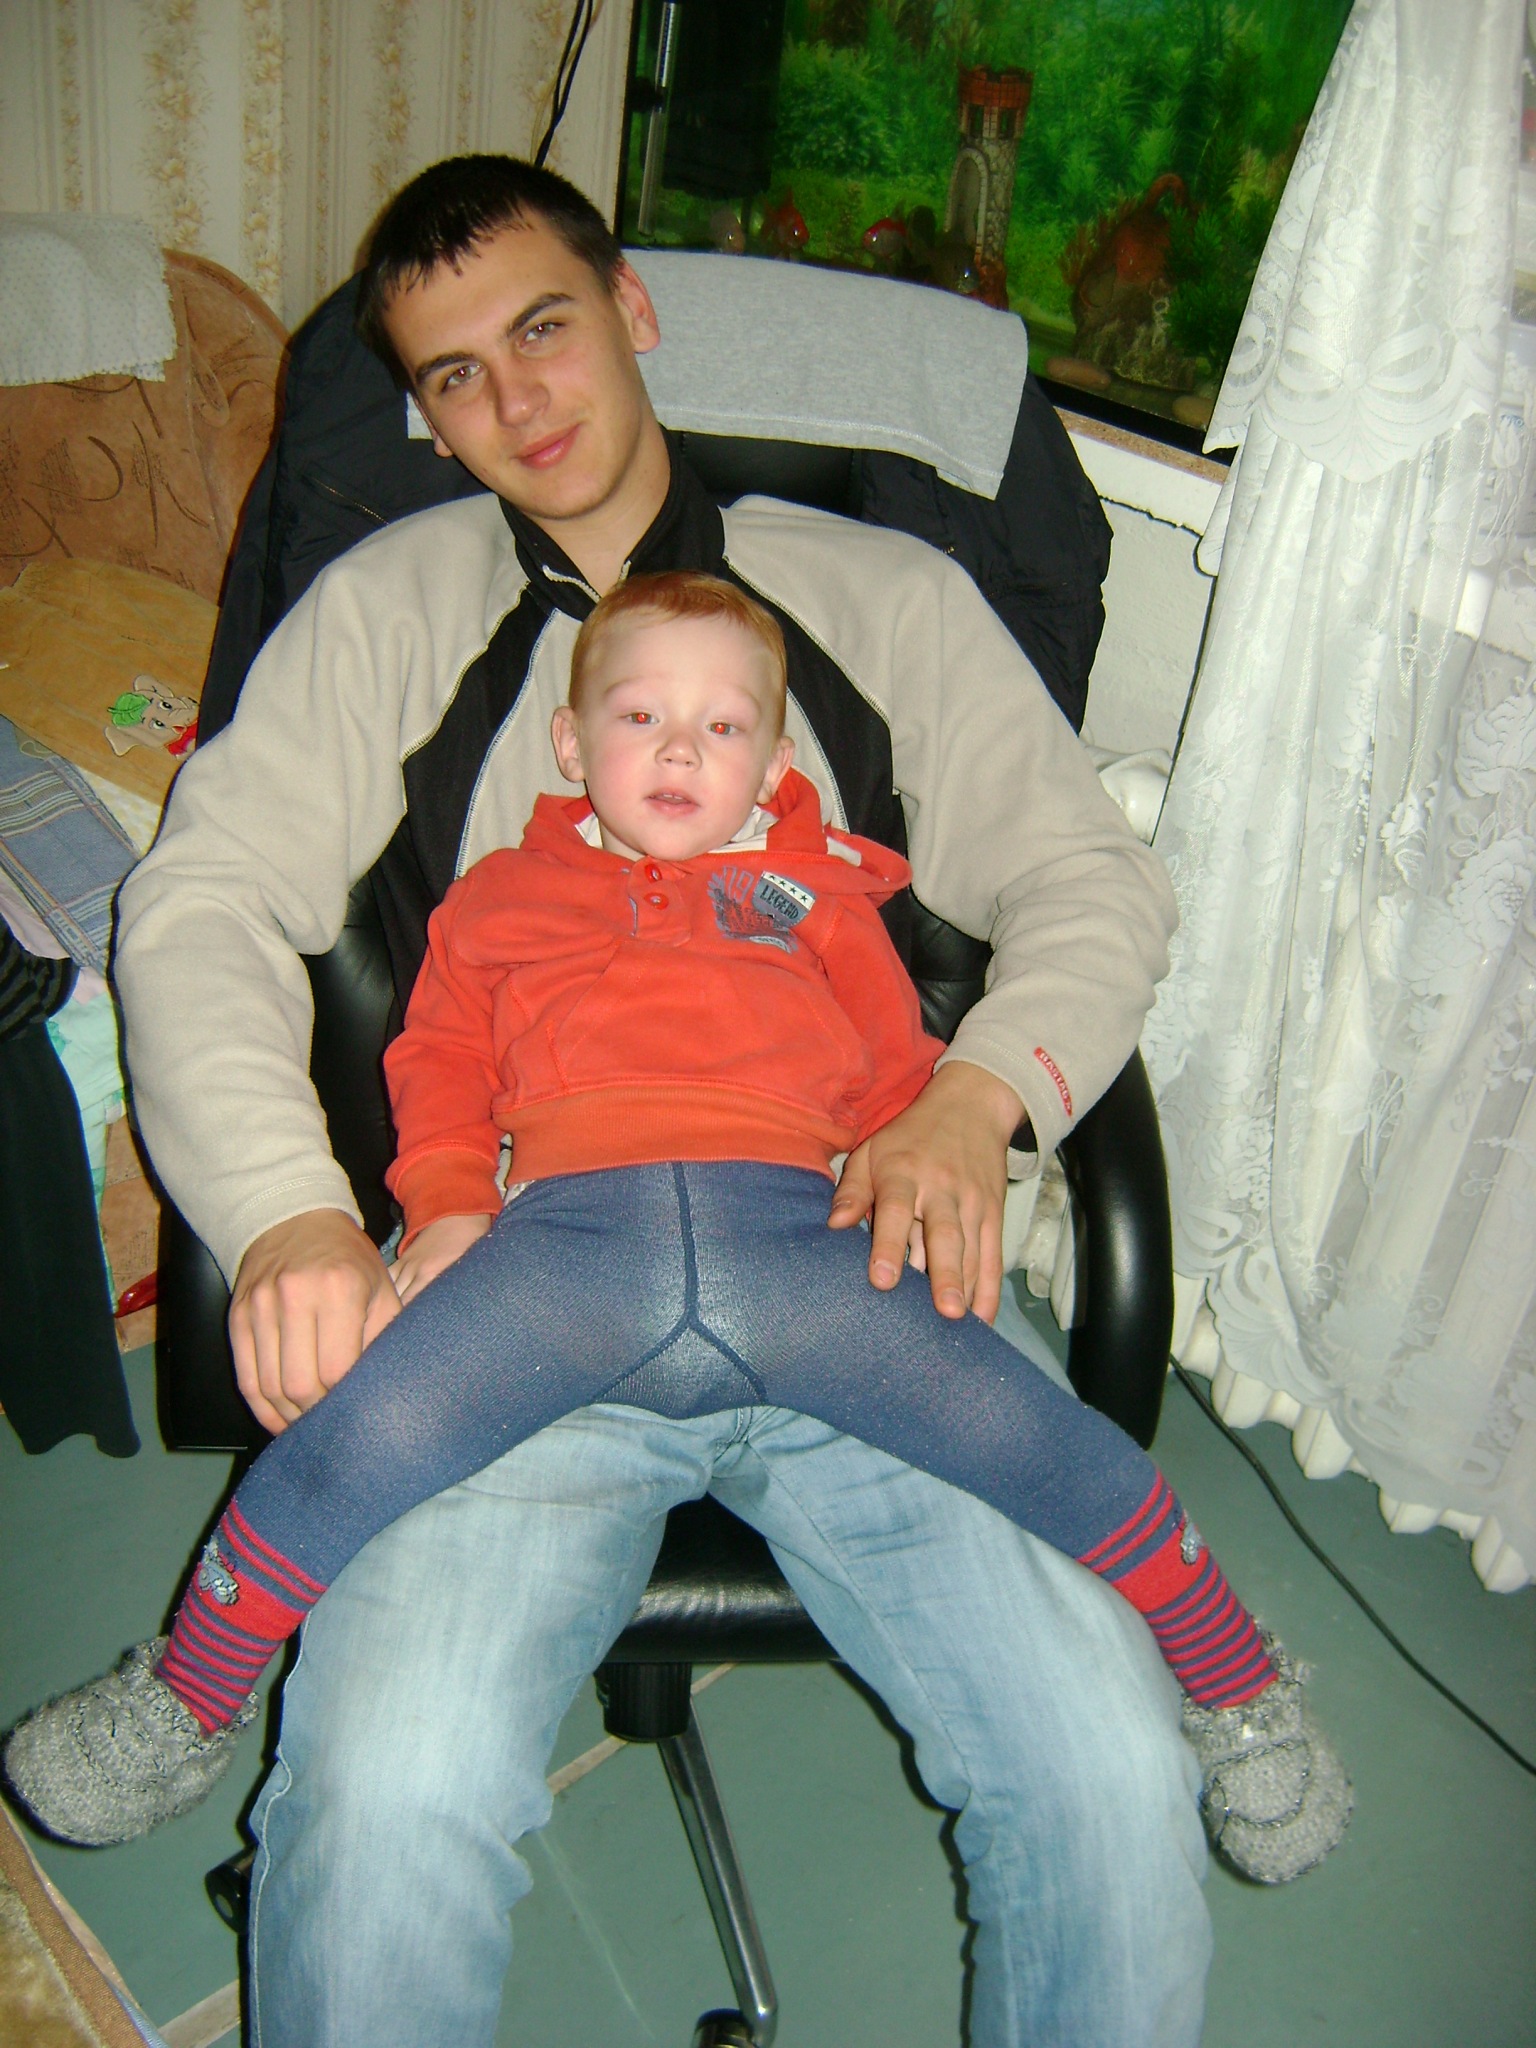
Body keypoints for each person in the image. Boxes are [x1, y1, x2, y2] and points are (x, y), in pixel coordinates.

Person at [102, 153, 1213, 2045]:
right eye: (454, 375)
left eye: (544, 327)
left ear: (633, 310)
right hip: (518, 1289)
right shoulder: (391, 607)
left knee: (1113, 1780)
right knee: (382, 1806)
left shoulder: (878, 593)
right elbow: (198, 902)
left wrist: (977, 1098)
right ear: (426, 415)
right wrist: (288, 1212)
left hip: (862, 1255)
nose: (516, 399)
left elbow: (1089, 880)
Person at [6, 574, 1350, 1890]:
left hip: (808, 1247)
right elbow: (439, 1061)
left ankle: (1241, 1691)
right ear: (572, 742)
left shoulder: (821, 899)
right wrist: (452, 1203)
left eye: (723, 726)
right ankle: (182, 1701)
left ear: (771, 763)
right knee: (353, 1442)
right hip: (561, 1253)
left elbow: (896, 1071)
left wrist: (924, 1156)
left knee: (1045, 1439)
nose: (679, 751)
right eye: (641, 717)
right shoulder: (497, 898)